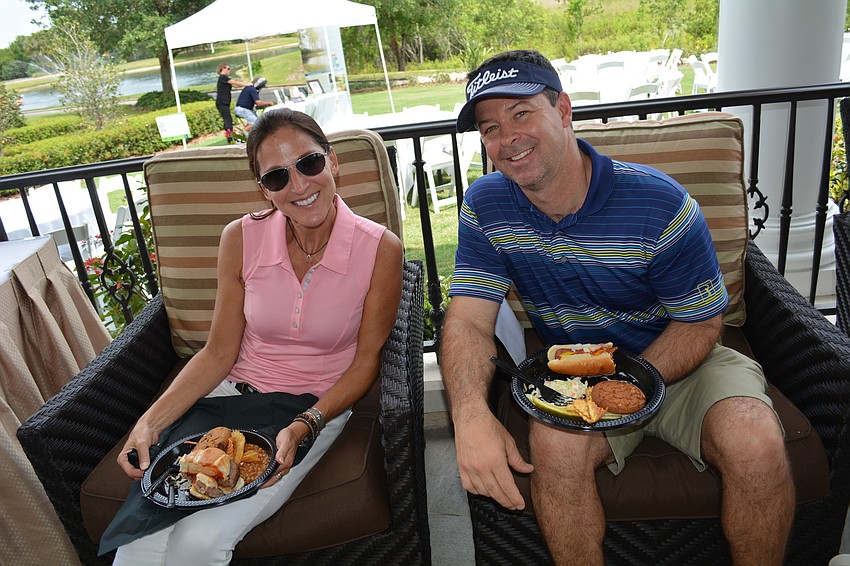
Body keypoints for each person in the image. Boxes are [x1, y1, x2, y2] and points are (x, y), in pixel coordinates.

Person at [440, 49, 794, 566]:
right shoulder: (486, 205)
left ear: (562, 110)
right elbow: (470, 318)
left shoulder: (659, 204)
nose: (507, 138)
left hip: (680, 357)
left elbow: (702, 322)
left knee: (756, 441)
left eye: (521, 113)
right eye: (490, 128)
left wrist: (632, 383)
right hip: (578, 372)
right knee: (554, 449)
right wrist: (469, 414)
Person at [112, 108, 404, 564]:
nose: (300, 186)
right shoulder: (241, 238)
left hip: (309, 410)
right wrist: (148, 422)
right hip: (229, 401)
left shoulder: (380, 249)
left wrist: (306, 424)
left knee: (199, 543)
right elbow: (217, 352)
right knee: (140, 539)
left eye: (309, 164)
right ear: (263, 189)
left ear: (333, 161)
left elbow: (366, 362)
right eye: (277, 177)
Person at [216, 63, 252, 144]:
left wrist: (247, 85)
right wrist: (247, 84)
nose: (229, 70)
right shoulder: (223, 77)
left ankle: (230, 137)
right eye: (228, 69)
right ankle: (230, 138)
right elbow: (235, 83)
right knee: (228, 120)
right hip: (222, 103)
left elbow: (235, 85)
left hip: (225, 103)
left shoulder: (225, 78)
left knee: (227, 120)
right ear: (223, 68)